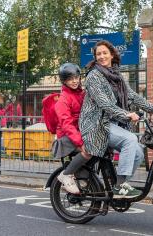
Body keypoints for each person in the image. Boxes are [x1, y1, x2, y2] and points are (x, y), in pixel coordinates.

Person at [79, 40, 153, 198]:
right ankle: (119, 187)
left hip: (110, 123)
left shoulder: (116, 76)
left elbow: (132, 96)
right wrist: (125, 114)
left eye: (105, 53)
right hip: (95, 125)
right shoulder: (93, 76)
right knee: (130, 140)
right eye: (98, 54)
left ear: (112, 54)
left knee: (138, 153)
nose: (102, 56)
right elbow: (103, 103)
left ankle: (120, 184)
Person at [52, 62, 91, 194]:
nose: (74, 81)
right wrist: (80, 142)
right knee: (90, 149)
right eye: (70, 79)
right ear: (64, 81)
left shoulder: (81, 93)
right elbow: (66, 125)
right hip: (67, 137)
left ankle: (85, 177)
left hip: (79, 133)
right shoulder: (63, 100)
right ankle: (67, 175)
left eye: (76, 77)